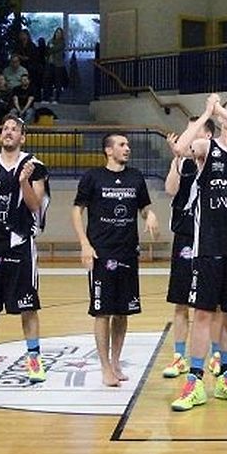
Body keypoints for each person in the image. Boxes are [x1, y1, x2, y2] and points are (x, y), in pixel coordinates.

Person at [168, 94, 227, 411]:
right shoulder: (207, 148)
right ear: (220, 119)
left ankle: (226, 378)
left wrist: (222, 109)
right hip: (209, 243)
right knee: (203, 314)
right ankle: (194, 382)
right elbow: (180, 148)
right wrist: (207, 113)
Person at [71, 132, 159, 387]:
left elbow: (144, 208)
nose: (127, 148)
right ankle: (105, 367)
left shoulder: (135, 177)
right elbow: (77, 211)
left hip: (128, 252)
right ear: (109, 150)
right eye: (122, 145)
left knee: (123, 313)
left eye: (128, 145)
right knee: (103, 312)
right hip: (101, 253)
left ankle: (116, 361)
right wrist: (84, 244)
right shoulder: (93, 177)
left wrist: (150, 215)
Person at [0, 116, 50, 383]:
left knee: (28, 304)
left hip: (20, 242)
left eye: (14, 129)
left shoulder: (34, 165)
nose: (8, 132)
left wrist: (23, 182)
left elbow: (35, 205)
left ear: (22, 137)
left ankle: (33, 357)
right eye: (5, 128)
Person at [161, 124, 221, 378]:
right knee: (181, 301)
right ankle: (179, 357)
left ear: (207, 136)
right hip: (185, 235)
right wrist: (176, 158)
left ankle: (216, 355)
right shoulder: (182, 163)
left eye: (194, 131)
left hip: (210, 236)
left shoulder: (217, 162)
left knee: (213, 304)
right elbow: (170, 189)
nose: (188, 136)